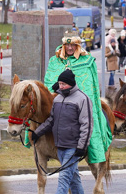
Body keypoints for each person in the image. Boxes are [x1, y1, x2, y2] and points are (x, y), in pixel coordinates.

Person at [45, 31, 113, 164]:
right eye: (67, 45)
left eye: (73, 45)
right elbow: (48, 82)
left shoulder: (87, 61)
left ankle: (93, 148)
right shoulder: (54, 61)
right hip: (59, 100)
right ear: (63, 45)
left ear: (78, 46)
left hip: (80, 100)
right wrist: (55, 88)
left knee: (90, 114)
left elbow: (89, 85)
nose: (70, 48)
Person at [34, 69, 93, 194]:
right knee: (74, 179)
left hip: (74, 147)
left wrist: (82, 147)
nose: (61, 86)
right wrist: (37, 132)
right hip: (61, 145)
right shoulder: (58, 99)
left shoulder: (82, 99)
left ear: (71, 84)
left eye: (63, 84)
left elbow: (87, 125)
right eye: (59, 83)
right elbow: (51, 120)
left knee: (64, 179)